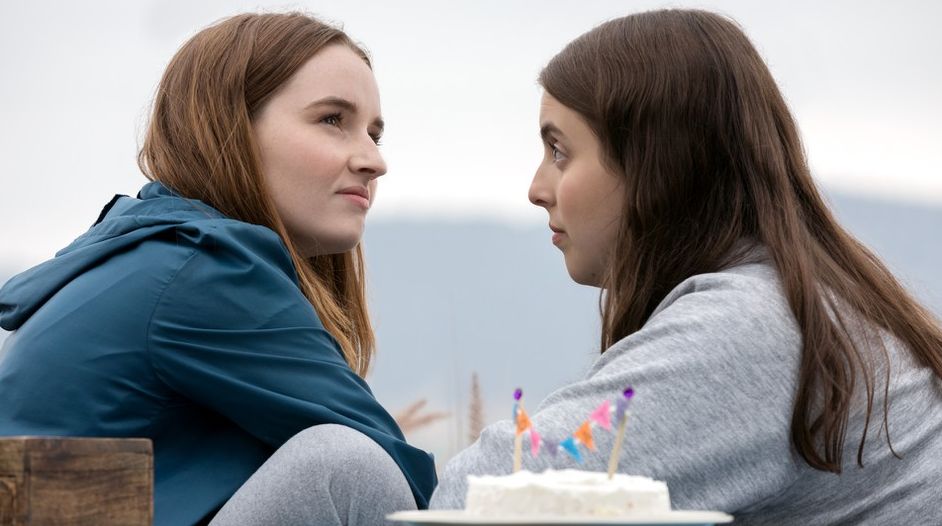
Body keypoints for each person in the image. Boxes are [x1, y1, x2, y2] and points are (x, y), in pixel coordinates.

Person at [430, 9, 942, 524]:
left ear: (655, 163)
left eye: (559, 151)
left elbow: (476, 498)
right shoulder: (802, 301)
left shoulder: (747, 328)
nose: (537, 189)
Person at [0, 12, 435, 526]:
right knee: (351, 466)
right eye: (332, 120)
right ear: (231, 128)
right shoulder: (202, 271)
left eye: (374, 134)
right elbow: (398, 478)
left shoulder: (154, 257)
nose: (372, 160)